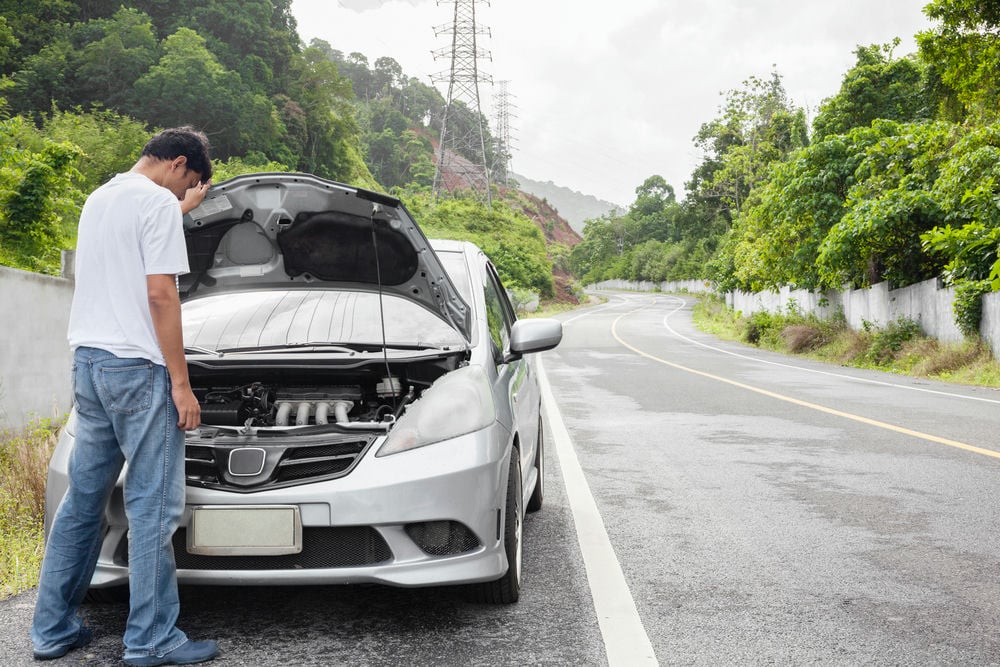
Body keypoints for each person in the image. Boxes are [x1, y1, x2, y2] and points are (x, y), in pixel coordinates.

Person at [31, 127, 219, 666]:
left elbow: (125, 253)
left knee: (83, 502)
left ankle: (52, 630)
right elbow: (161, 294)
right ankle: (152, 640)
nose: (186, 188)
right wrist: (181, 384)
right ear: (179, 163)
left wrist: (179, 208)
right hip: (139, 369)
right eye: (190, 178)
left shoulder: (102, 197)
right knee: (153, 507)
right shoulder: (157, 203)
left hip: (89, 364)